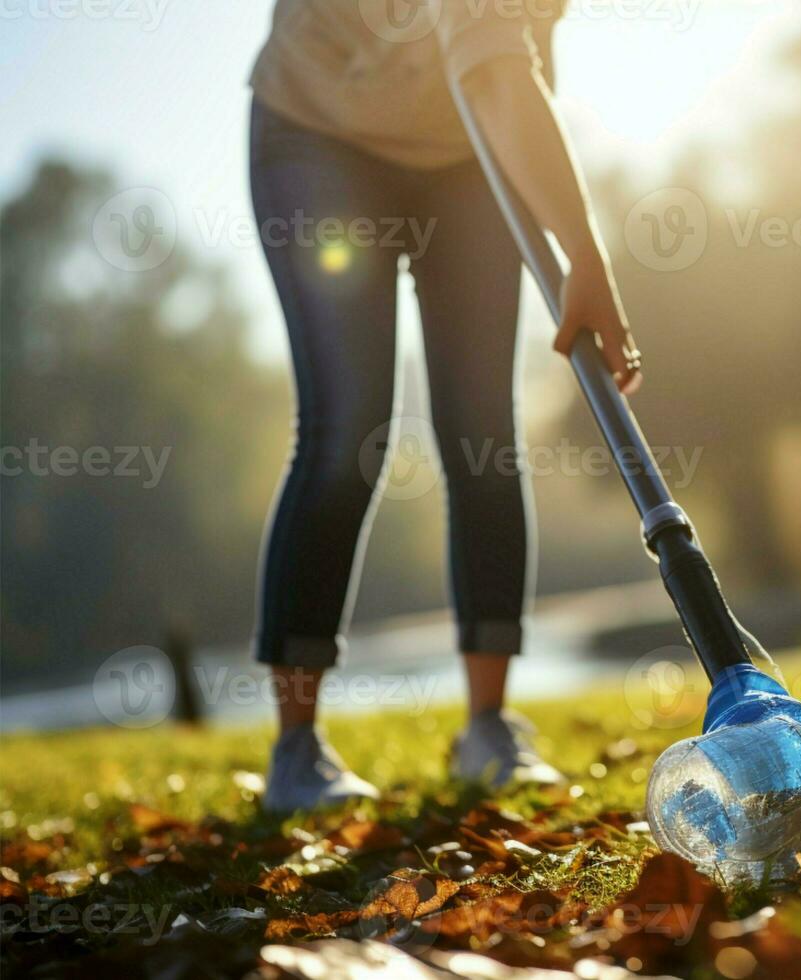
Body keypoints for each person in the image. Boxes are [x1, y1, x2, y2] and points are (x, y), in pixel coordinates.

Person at [248, 0, 640, 812]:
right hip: (318, 129)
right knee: (347, 426)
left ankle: (488, 728)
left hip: (465, 153)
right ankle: (296, 750)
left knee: (483, 435)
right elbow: (496, 71)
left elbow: (515, 63)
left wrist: (569, 241)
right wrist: (586, 256)